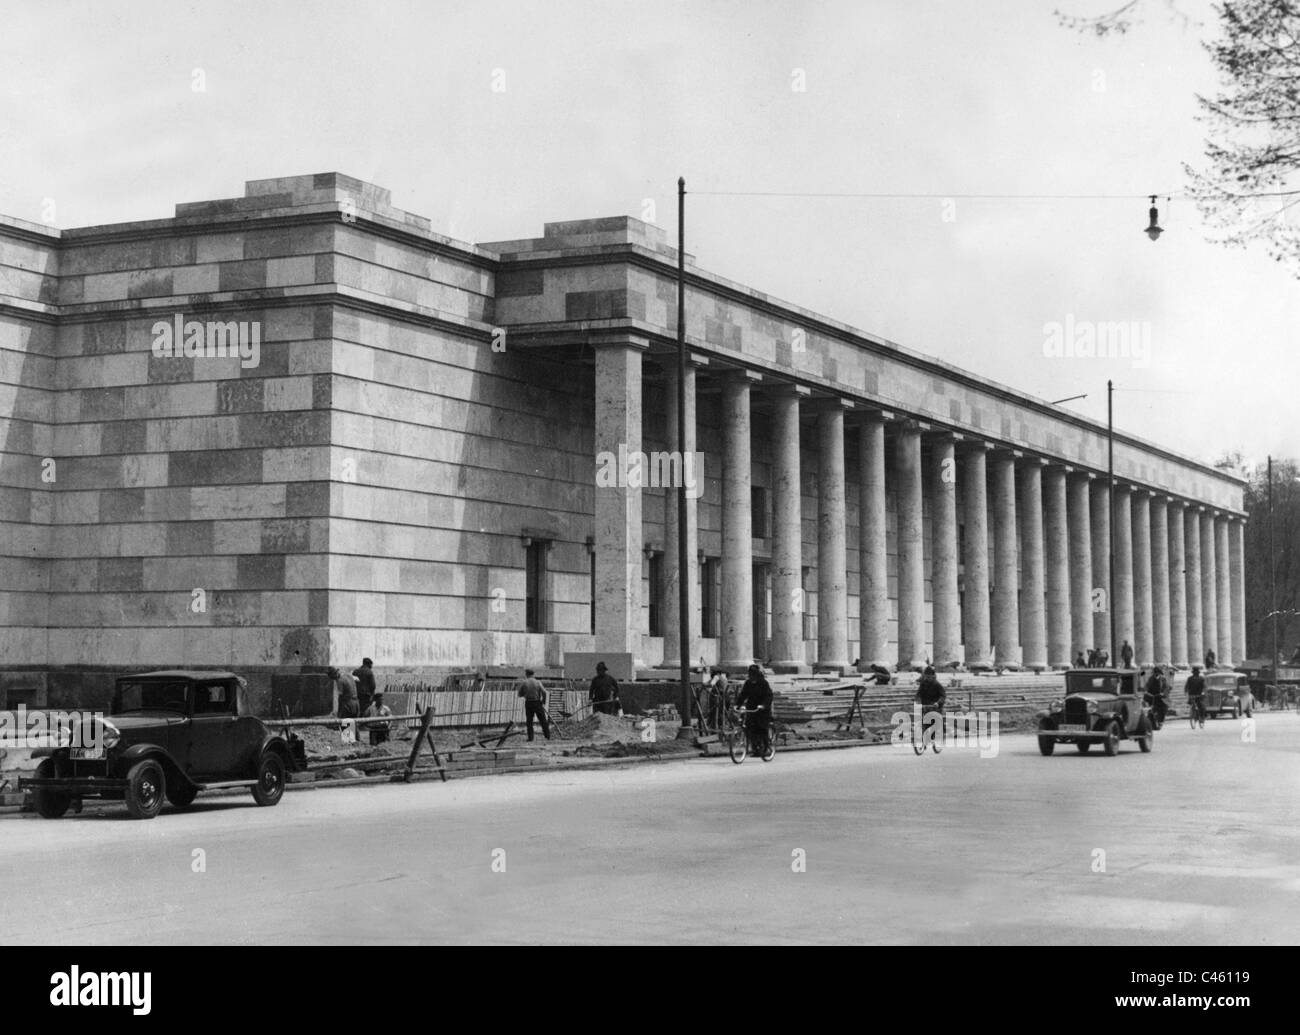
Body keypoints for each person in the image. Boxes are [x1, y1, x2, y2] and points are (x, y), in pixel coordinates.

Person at [734, 664, 773, 753]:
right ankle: (755, 748)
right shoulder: (748, 683)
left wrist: (763, 705)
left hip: (762, 710)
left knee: (761, 728)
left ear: (757, 674)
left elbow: (768, 696)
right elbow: (743, 695)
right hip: (751, 708)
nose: (751, 676)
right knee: (750, 727)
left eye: (753, 674)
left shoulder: (763, 683)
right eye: (750, 674)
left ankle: (766, 748)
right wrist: (737, 705)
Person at [516, 669, 551, 741]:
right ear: (533, 674)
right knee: (543, 720)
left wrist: (526, 693)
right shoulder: (538, 682)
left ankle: (530, 738)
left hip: (529, 703)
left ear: (526, 674)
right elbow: (544, 692)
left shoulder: (524, 683)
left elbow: (519, 694)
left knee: (529, 721)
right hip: (537, 703)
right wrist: (543, 701)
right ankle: (547, 736)